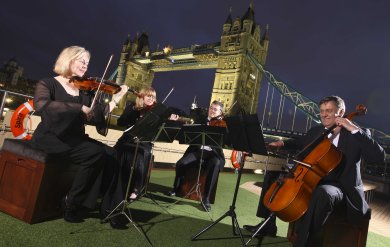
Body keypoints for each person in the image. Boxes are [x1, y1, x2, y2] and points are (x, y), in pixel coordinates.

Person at [244, 95, 386, 246]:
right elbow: (300, 142)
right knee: (274, 176)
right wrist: (281, 143)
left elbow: (379, 156)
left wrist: (352, 128)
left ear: (341, 112)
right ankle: (267, 225)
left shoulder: (356, 133)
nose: (324, 114)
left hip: (340, 187)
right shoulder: (316, 131)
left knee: (322, 193)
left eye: (329, 111)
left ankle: (303, 242)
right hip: (316, 179)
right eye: (322, 111)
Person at [31, 46, 129, 229]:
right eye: (81, 60)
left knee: (112, 154)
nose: (85, 65)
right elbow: (41, 105)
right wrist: (78, 108)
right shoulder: (48, 83)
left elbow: (98, 114)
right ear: (68, 59)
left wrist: (118, 97)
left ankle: (112, 210)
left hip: (75, 138)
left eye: (87, 62)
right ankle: (72, 201)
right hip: (51, 137)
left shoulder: (85, 89)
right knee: (94, 152)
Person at [115, 86, 179, 201]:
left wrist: (169, 120)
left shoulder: (156, 111)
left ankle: (136, 188)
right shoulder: (133, 108)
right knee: (117, 153)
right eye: (148, 95)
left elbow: (160, 128)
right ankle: (115, 183)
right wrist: (133, 109)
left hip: (144, 142)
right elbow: (120, 122)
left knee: (141, 155)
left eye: (153, 97)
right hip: (128, 140)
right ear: (141, 96)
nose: (151, 98)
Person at [167, 100, 226, 211]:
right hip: (198, 151)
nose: (212, 111)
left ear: (220, 112)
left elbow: (226, 141)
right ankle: (176, 188)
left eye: (215, 109)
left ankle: (206, 198)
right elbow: (188, 128)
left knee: (216, 163)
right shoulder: (200, 120)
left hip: (213, 153)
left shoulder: (222, 124)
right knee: (181, 163)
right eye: (211, 108)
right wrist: (177, 120)